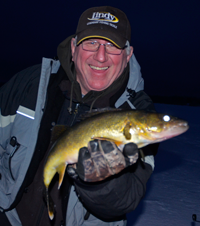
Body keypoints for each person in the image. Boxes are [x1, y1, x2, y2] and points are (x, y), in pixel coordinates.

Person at [0, 6, 158, 226]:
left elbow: (125, 200)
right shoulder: (29, 84)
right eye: (91, 43)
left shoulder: (140, 115)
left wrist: (100, 182)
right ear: (74, 48)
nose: (101, 56)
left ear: (128, 54)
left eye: (112, 45)